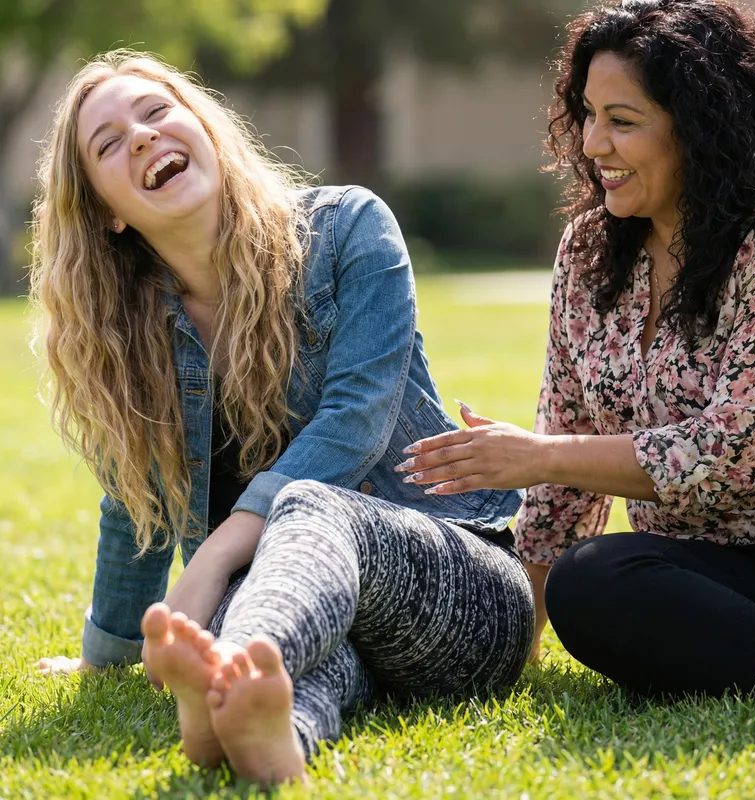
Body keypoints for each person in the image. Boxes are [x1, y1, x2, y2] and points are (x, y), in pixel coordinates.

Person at [31, 50, 534, 786]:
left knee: (302, 507)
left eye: (157, 112)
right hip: (307, 615)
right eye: (109, 144)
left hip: (463, 592)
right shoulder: (131, 336)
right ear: (106, 211)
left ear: (206, 129)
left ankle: (228, 659)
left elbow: (355, 421)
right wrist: (109, 650)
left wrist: (209, 561)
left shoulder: (349, 230)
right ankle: (268, 734)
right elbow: (131, 505)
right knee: (298, 654)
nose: (140, 136)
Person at [396, 0, 755, 697]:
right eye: (586, 114)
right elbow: (564, 464)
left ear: (700, 129)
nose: (591, 144)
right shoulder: (588, 250)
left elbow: (734, 452)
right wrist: (512, 646)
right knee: (592, 581)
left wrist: (536, 454)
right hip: (696, 568)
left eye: (622, 121)